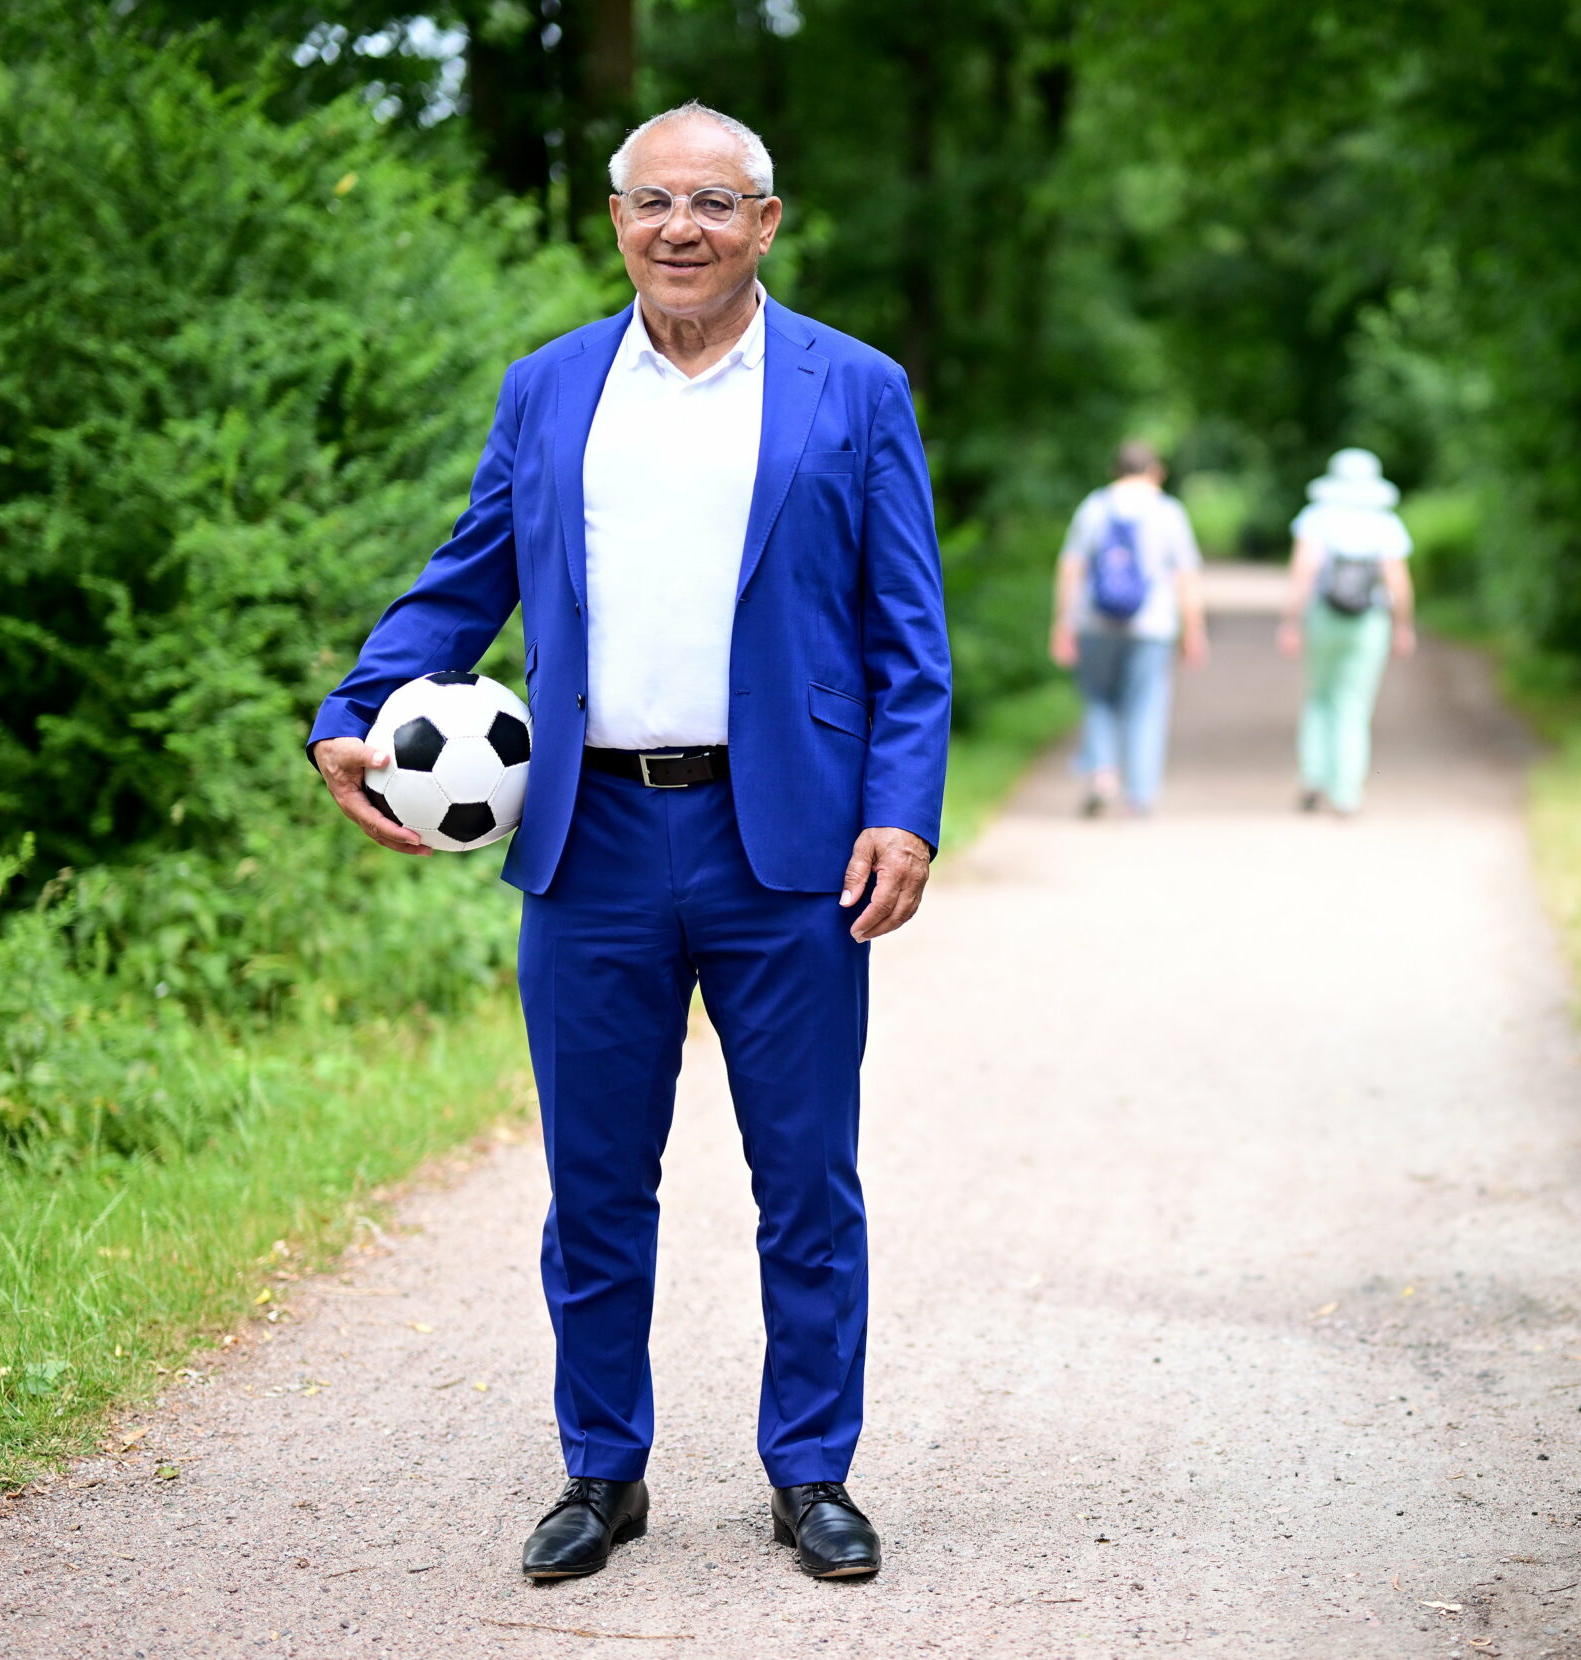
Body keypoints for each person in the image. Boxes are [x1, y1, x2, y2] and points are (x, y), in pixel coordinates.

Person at [306, 102, 949, 1587]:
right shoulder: (549, 390)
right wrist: (355, 705)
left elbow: (910, 637)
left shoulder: (853, 391)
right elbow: (465, 580)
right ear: (615, 219)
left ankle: (814, 1473)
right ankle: (603, 1469)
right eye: (655, 201)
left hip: (785, 843)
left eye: (715, 204)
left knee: (807, 1176)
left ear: (766, 224)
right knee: (595, 1181)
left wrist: (902, 810)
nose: (683, 228)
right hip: (588, 840)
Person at [1048, 441, 1209, 816]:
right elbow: (1187, 575)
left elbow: (1071, 566)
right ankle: (1141, 793)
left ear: (1115, 470)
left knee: (1098, 698)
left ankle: (1103, 775)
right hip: (1153, 626)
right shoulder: (1168, 511)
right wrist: (1194, 628)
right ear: (1155, 471)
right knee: (1147, 702)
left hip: (1095, 622)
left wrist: (1062, 623)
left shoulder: (1094, 506)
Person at [1277, 448, 1416, 815]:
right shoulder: (1385, 524)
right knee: (1353, 703)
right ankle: (1347, 792)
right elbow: (1398, 581)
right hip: (1369, 622)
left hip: (1323, 616)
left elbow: (1303, 570)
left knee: (1319, 696)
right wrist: (1403, 625)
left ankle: (1312, 777)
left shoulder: (1317, 518)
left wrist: (1291, 620)